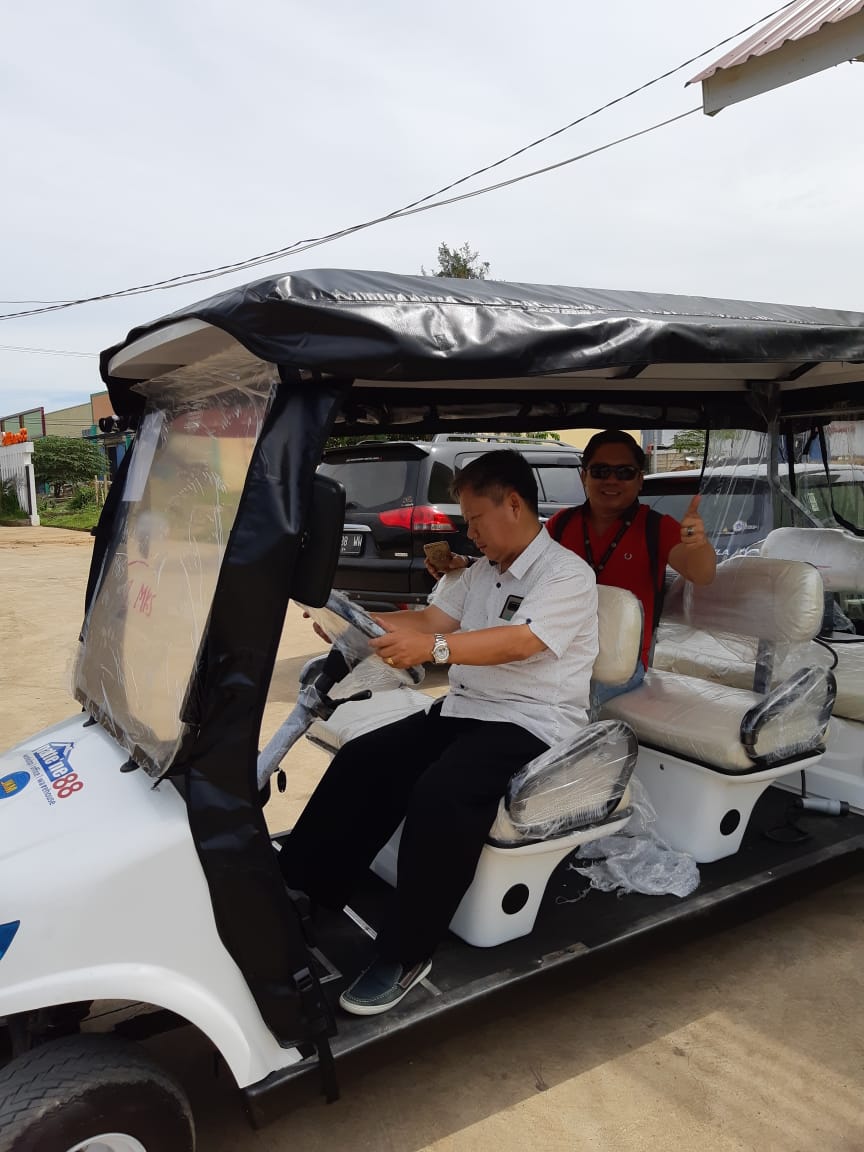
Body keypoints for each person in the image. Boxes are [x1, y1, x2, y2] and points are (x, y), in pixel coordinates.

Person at [279, 450, 598, 1015]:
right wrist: (351, 622)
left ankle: (405, 953)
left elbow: (521, 641)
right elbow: (429, 621)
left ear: (514, 504)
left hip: (531, 722)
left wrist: (435, 649)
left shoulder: (567, 575)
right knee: (364, 758)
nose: (468, 532)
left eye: (475, 519)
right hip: (465, 709)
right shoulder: (478, 572)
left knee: (441, 793)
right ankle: (301, 891)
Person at [428, 431, 716, 705]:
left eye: (624, 472)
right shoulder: (564, 523)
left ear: (640, 479)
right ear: (583, 476)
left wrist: (697, 545)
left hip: (617, 666)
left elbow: (701, 574)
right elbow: (525, 560)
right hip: (558, 655)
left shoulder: (655, 527)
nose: (611, 480)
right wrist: (467, 563)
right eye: (600, 471)